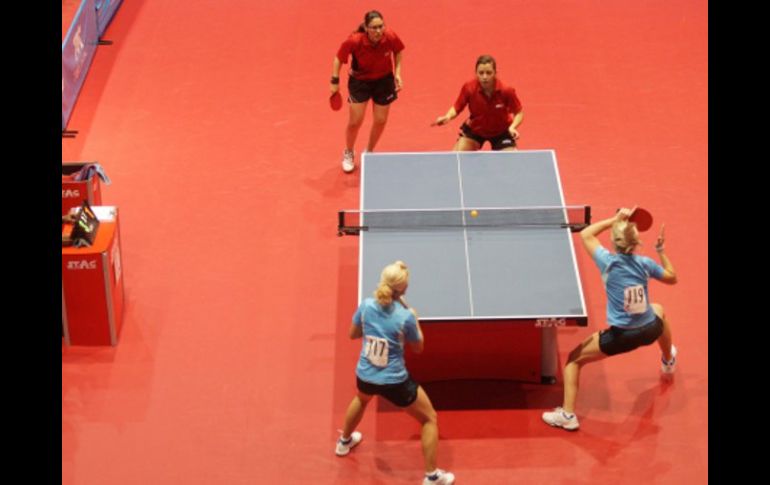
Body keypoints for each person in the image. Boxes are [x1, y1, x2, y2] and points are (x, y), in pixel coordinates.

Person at [541, 208, 678, 431]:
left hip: (622, 336)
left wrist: (614, 219)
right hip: (651, 329)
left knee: (573, 360)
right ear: (636, 242)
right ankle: (668, 361)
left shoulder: (608, 262)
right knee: (659, 309)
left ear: (614, 242)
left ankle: (567, 415)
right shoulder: (645, 263)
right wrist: (661, 251)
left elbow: (586, 234)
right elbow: (672, 278)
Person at [336, 261, 455, 485]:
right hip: (395, 382)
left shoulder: (366, 306)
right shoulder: (405, 317)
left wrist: (374, 329)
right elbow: (418, 348)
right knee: (429, 419)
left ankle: (344, 442)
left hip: (365, 374)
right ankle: (432, 477)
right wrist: (415, 321)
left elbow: (353, 334)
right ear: (404, 289)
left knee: (361, 399)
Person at [331, 11, 404, 173]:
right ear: (366, 27)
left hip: (383, 81)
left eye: (381, 26)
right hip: (360, 82)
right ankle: (349, 152)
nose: (378, 31)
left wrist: (398, 73)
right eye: (374, 28)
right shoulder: (355, 40)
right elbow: (338, 59)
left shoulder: (390, 36)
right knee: (355, 122)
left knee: (380, 120)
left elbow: (398, 51)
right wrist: (334, 81)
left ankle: (369, 151)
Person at [432, 55, 523, 151]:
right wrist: (448, 116)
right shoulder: (469, 88)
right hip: (476, 130)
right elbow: (457, 107)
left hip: (501, 131)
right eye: (481, 73)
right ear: (476, 73)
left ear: (495, 73)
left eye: (489, 73)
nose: (484, 77)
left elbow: (519, 113)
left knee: (510, 158)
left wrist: (512, 127)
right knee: (457, 154)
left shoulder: (506, 91)